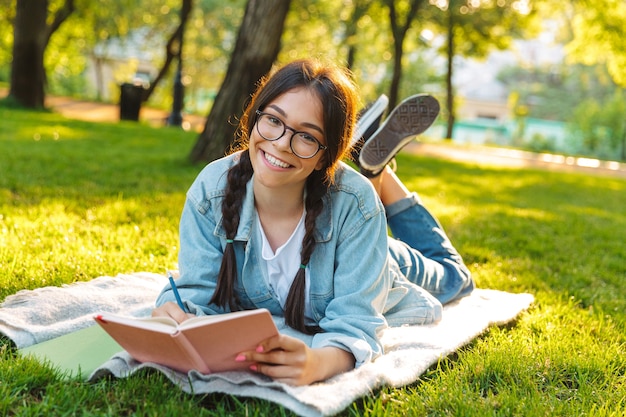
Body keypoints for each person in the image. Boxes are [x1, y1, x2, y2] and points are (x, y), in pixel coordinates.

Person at [153, 59, 474, 386]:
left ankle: (381, 174)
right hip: (350, 230)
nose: (280, 143)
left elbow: (355, 321)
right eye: (274, 120)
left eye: (306, 136)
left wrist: (318, 362)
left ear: (325, 155)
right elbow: (195, 292)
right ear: (254, 116)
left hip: (380, 264)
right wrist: (175, 314)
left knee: (455, 276)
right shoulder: (212, 190)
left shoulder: (357, 205)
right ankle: (373, 165)